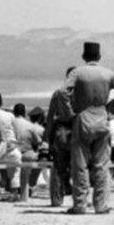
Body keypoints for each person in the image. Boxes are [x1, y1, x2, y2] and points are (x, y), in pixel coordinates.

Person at [65, 41, 114, 215]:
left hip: (82, 118)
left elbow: (64, 92)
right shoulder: (108, 73)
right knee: (101, 165)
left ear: (84, 56)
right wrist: (111, 107)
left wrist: (70, 110)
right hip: (102, 118)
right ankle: (100, 204)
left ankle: (80, 204)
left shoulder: (77, 72)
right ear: (99, 56)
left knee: (80, 165)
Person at [44, 67, 75, 207]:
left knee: (57, 167)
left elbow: (50, 117)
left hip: (60, 130)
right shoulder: (82, 94)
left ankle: (56, 199)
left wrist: (47, 139)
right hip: (77, 131)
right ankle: (80, 199)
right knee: (80, 166)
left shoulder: (58, 93)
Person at [11, 103, 44, 195]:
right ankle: (31, 184)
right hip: (26, 154)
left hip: (11, 154)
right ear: (24, 113)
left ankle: (9, 185)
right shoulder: (30, 125)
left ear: (14, 112)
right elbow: (38, 142)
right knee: (41, 160)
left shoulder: (9, 123)